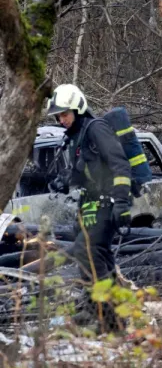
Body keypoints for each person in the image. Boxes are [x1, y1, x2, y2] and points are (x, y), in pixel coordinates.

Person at [42, 83, 133, 330]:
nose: (61, 120)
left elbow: (120, 165)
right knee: (99, 256)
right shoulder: (77, 137)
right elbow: (86, 174)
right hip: (91, 206)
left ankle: (107, 317)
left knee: (87, 252)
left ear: (77, 109)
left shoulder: (96, 129)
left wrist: (121, 203)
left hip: (108, 204)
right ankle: (106, 311)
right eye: (58, 116)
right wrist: (65, 182)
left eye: (64, 114)